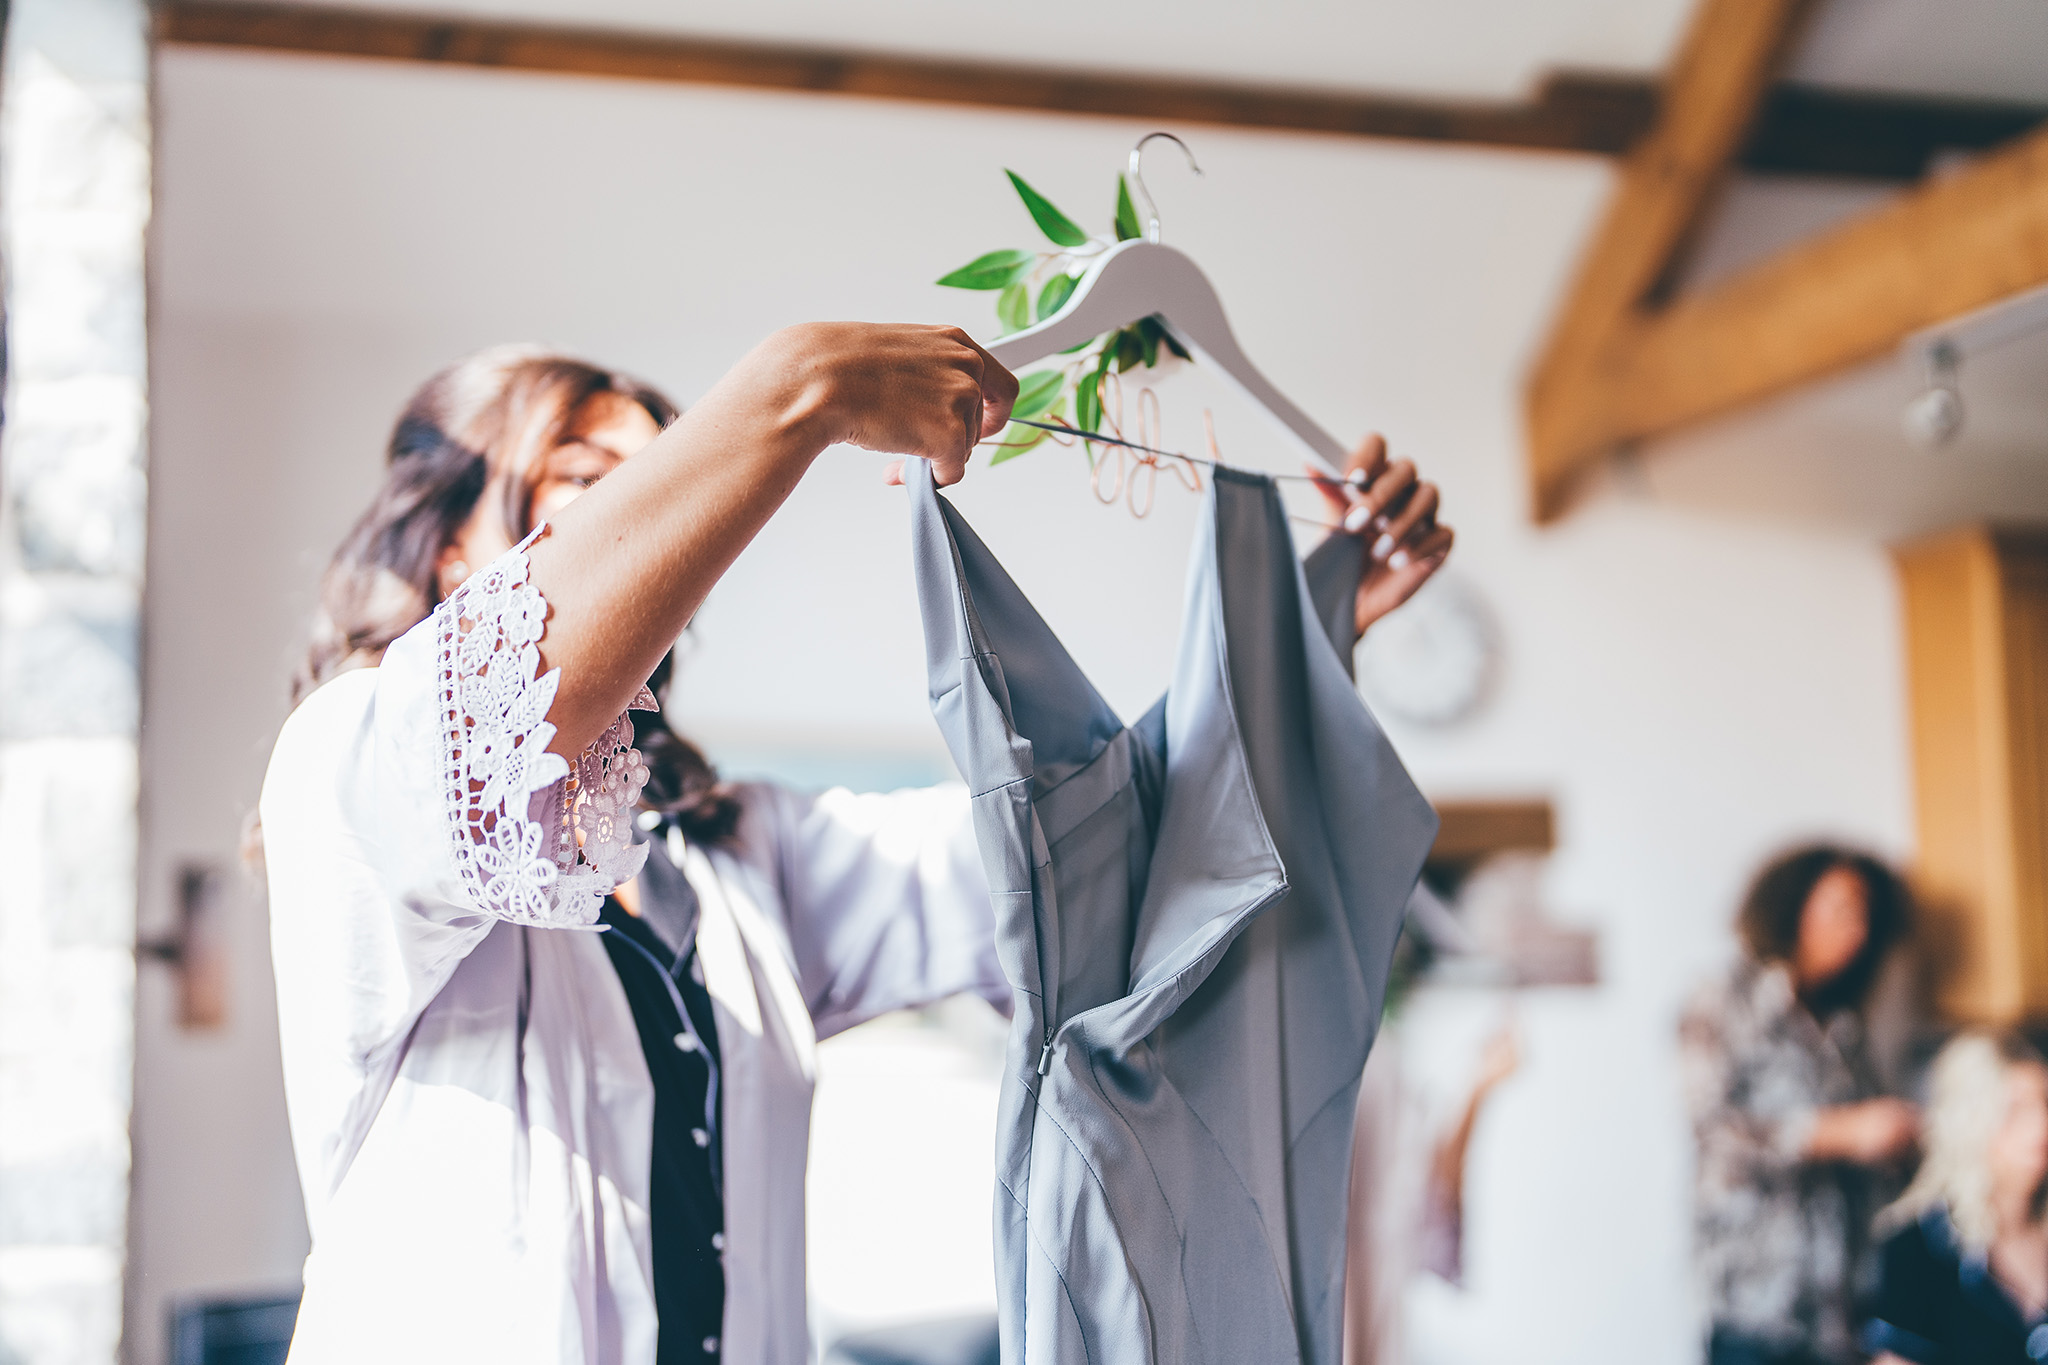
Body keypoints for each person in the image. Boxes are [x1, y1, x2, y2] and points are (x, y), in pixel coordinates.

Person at [258, 327, 1455, 1365]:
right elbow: (493, 715)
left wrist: (1303, 626)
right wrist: (800, 382)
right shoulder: (349, 780)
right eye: (587, 483)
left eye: (655, 483)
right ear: (452, 546)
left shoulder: (743, 863)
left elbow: (1088, 851)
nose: (652, 527)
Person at [1679, 844, 1919, 1365]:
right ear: (1792, 907)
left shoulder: (1845, 1021)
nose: (1856, 929)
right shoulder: (1722, 1000)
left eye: (1865, 916)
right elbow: (1714, 1131)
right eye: (1841, 908)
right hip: (1758, 1303)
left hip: (1844, 1309)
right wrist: (1843, 1133)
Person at [1865, 1031, 2048, 1365]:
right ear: (1970, 1120)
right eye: (2016, 1110)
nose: (2041, 1126)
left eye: (2045, 1104)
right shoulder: (1919, 1247)